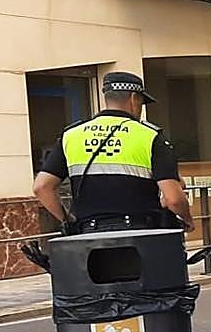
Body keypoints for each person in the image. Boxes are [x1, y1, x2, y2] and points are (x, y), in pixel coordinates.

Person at [33, 72, 193, 233]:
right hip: (142, 237)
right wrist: (187, 219)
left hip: (89, 238)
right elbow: (174, 199)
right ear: (134, 98)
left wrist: (69, 222)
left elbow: (42, 187)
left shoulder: (72, 135)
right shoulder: (150, 136)